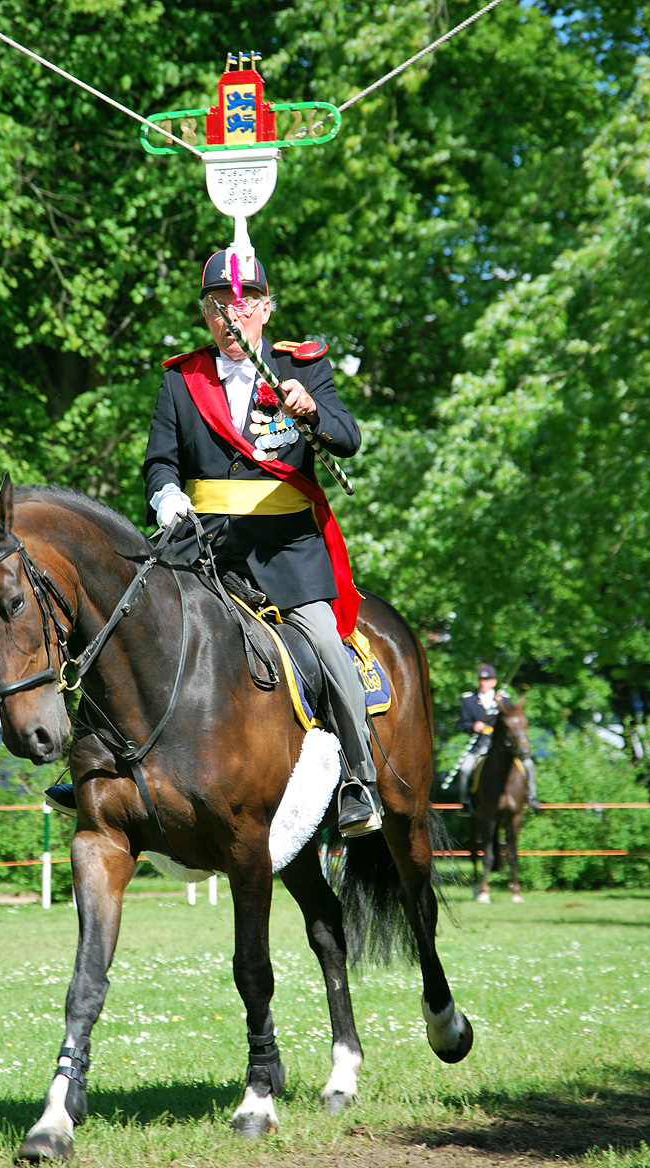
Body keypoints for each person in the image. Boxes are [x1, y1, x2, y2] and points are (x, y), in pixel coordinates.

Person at [142, 246, 381, 837]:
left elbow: (349, 439)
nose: (231, 315)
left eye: (244, 302)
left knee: (326, 644)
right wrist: (167, 496)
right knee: (119, 620)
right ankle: (100, 762)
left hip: (286, 549)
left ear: (265, 309)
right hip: (201, 549)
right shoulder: (181, 380)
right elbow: (160, 463)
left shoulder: (301, 367)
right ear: (205, 313)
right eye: (218, 304)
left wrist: (312, 412)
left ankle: (359, 778)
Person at [458, 664, 539, 812]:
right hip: (480, 743)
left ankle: (532, 796)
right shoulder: (469, 700)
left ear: (494, 681)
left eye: (487, 679)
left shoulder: (503, 700)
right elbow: (463, 724)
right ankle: (466, 802)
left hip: (503, 745)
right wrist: (473, 726)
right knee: (465, 769)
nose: (483, 682)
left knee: (528, 764)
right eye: (481, 679)